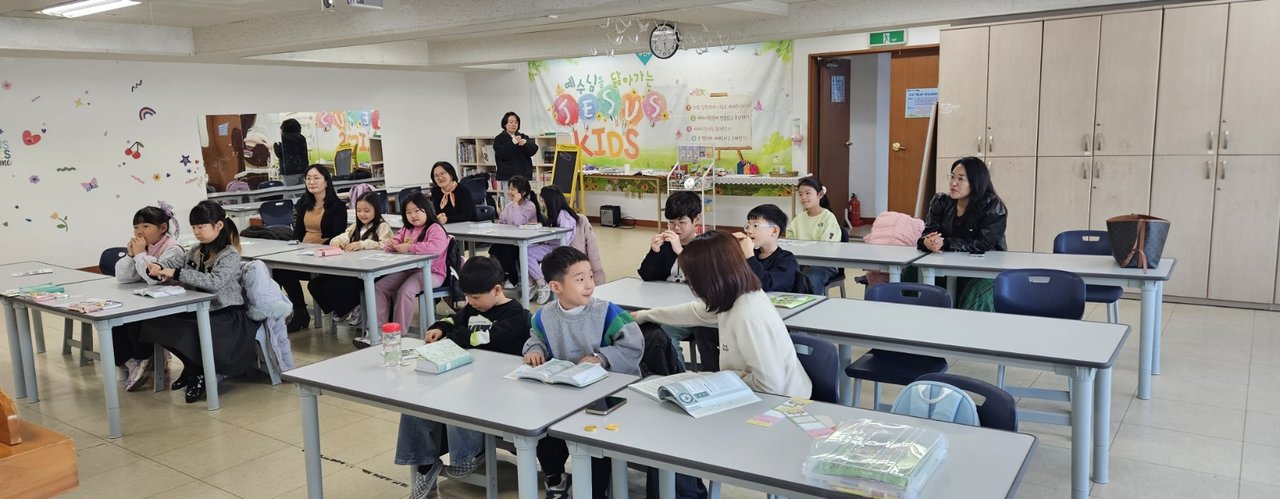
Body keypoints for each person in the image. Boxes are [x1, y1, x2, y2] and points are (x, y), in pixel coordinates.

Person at [395, 257, 533, 497]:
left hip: (499, 388)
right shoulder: (473, 308)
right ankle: (425, 463)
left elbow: (489, 338)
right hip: (469, 376)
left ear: (497, 290)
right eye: (468, 297)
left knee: (456, 398)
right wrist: (440, 327)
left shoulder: (516, 315)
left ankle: (469, 454)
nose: (471, 302)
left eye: (476, 297)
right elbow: (456, 319)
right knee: (416, 401)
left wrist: (459, 336)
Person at [523, 247, 643, 499]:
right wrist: (534, 349)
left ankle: (595, 491)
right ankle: (556, 480)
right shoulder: (544, 316)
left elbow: (633, 346)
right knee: (545, 434)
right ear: (555, 287)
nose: (589, 284)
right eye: (580, 279)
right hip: (564, 395)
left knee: (594, 443)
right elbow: (536, 338)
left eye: (590, 276)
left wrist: (602, 357)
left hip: (605, 396)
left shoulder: (606, 312)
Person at [633, 231, 812, 398]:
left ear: (709, 278)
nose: (691, 285)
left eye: (692, 278)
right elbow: (696, 312)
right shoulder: (735, 296)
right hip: (753, 393)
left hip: (780, 401)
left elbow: (770, 386)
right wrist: (646, 315)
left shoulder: (747, 314)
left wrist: (717, 378)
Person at [141, 201, 258, 403]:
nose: (196, 232)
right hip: (201, 310)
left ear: (218, 225)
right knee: (155, 324)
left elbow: (215, 282)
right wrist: (157, 266)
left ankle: (198, 372)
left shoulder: (229, 254)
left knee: (188, 331)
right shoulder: (196, 250)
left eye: (201, 226)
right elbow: (174, 262)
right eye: (194, 227)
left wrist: (177, 273)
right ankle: (192, 366)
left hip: (227, 316)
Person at [919, 156, 1008, 311]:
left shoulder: (992, 206)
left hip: (983, 268)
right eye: (952, 177)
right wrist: (927, 241)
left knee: (976, 293)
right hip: (947, 265)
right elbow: (928, 233)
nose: (953, 183)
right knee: (912, 273)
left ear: (976, 182)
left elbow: (984, 243)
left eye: (960, 179)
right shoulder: (941, 202)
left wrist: (945, 243)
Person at [113, 205, 184, 391]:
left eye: (145, 226)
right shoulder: (144, 247)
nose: (139, 231)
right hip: (149, 298)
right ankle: (130, 360)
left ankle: (143, 357)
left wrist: (140, 255)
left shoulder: (173, 249)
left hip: (171, 303)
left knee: (135, 317)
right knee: (116, 319)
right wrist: (131, 255)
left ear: (162, 228)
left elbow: (154, 278)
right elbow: (123, 278)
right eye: (136, 227)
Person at [274, 164, 348, 332]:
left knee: (306, 279)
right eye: (308, 178)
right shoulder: (303, 203)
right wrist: (294, 247)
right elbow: (298, 232)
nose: (311, 182)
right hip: (304, 253)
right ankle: (299, 312)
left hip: (325, 256)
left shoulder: (337, 207)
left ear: (326, 181)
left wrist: (316, 249)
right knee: (280, 270)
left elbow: (337, 237)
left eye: (316, 178)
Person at [369, 191, 449, 345]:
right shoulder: (407, 229)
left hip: (432, 273)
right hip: (409, 269)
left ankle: (399, 334)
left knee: (405, 291)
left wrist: (410, 247)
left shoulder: (435, 228)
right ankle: (380, 331)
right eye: (408, 212)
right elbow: (394, 241)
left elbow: (436, 248)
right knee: (379, 287)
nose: (413, 215)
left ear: (426, 209)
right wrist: (392, 245)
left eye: (417, 211)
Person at [307, 191, 394, 326]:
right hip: (353, 268)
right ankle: (342, 309)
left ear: (376, 210)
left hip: (373, 270)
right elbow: (344, 236)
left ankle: (351, 307)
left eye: (366, 211)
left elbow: (386, 245)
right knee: (315, 284)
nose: (362, 214)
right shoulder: (356, 226)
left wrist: (363, 244)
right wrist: (337, 241)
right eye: (359, 211)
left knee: (337, 285)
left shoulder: (382, 226)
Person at [787, 176, 841, 294]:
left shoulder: (828, 217)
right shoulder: (798, 219)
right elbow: (789, 242)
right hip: (801, 262)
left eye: (808, 193)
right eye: (800, 194)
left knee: (811, 278)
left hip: (824, 264)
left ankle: (813, 304)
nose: (803, 197)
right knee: (784, 274)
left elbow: (828, 246)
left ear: (820, 195)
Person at [487, 175, 542, 288]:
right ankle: (501, 276)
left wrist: (516, 203)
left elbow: (518, 222)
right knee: (494, 249)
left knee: (508, 250)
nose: (509, 192)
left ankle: (513, 279)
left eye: (513, 189)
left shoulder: (530, 206)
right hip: (511, 239)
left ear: (522, 192)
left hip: (526, 242)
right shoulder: (509, 206)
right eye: (509, 189)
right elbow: (502, 222)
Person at [527, 186, 578, 304]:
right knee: (527, 248)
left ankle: (541, 282)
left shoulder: (563, 215)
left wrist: (546, 237)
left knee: (528, 253)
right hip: (553, 245)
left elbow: (563, 237)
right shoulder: (559, 213)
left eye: (543, 200)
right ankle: (532, 282)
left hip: (559, 248)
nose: (542, 203)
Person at [637, 191, 702, 283]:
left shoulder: (705, 246)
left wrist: (681, 253)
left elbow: (705, 281)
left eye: (682, 222)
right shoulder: (665, 244)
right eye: (671, 222)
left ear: (697, 219)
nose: (676, 227)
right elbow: (646, 276)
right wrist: (654, 252)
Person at [740, 204, 800, 293]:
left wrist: (749, 255)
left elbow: (766, 284)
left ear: (774, 231)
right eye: (748, 226)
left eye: (755, 225)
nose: (749, 231)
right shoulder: (750, 254)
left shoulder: (786, 259)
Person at [493, 111, 539, 185]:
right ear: (505, 124)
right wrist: (513, 142)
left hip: (524, 175)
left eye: (516, 122)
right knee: (510, 193)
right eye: (511, 122)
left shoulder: (523, 136)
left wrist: (526, 143)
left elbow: (534, 150)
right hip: (508, 177)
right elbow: (502, 154)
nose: (514, 124)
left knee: (524, 192)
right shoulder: (499, 139)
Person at [275, 118, 309, 186]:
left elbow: (279, 153)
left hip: (289, 172)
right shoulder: (301, 138)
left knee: (290, 191)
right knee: (302, 189)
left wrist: (276, 146)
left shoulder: (283, 138)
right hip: (303, 170)